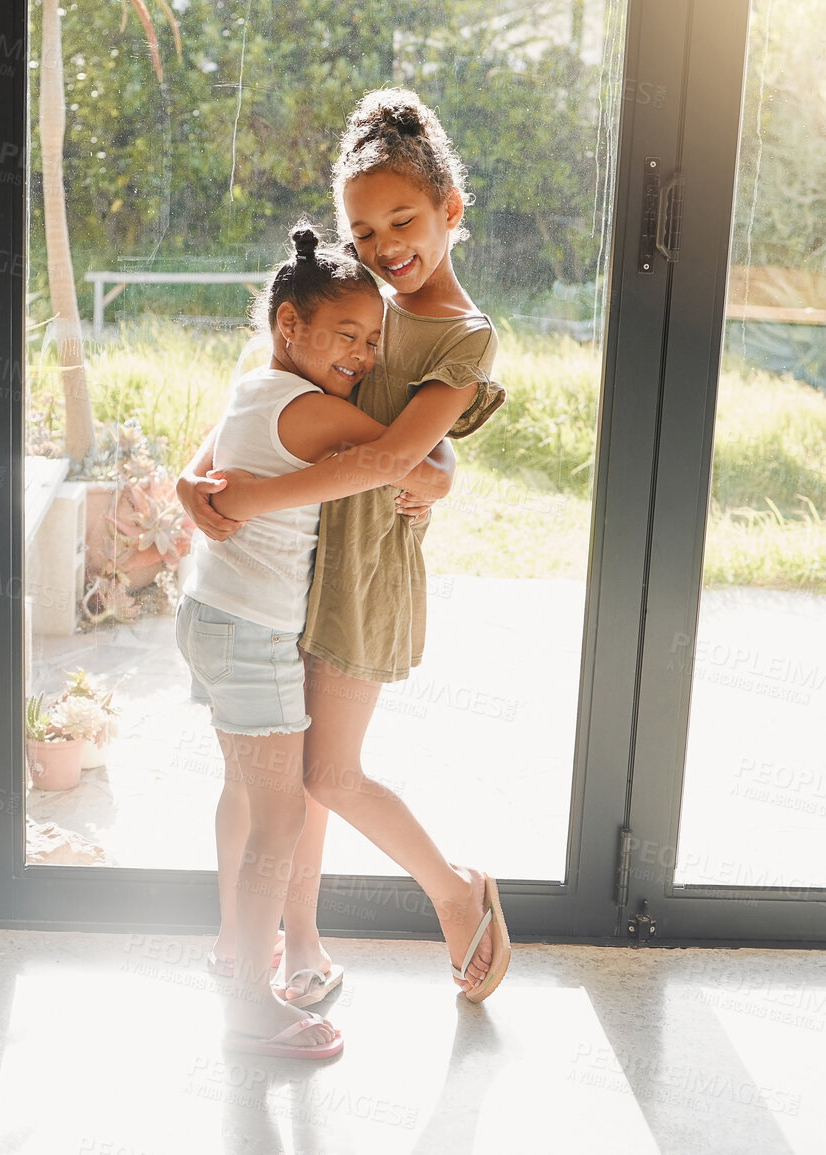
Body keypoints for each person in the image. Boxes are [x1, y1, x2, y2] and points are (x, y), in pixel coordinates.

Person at [181, 88, 512, 1010]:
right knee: (281, 783)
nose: (382, 246)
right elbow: (271, 392)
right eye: (361, 230)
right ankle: (295, 948)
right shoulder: (359, 295)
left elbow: (398, 452)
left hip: (362, 573)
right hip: (286, 568)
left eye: (402, 220)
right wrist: (192, 475)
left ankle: (455, 891)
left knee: (326, 772)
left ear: (451, 210)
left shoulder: (463, 333)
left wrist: (259, 495)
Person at [177, 222, 456, 1059]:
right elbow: (411, 464)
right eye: (346, 335)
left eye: (373, 340)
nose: (364, 356)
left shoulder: (255, 385)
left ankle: (236, 945)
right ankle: (248, 1007)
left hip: (211, 617)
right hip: (254, 634)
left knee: (245, 795)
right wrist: (441, 474)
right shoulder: (309, 411)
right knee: (281, 819)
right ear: (289, 324)